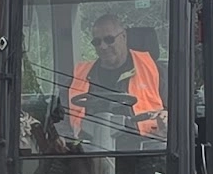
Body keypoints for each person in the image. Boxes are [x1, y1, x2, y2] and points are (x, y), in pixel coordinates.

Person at [67, 10, 164, 149]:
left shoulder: (154, 70)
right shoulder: (78, 74)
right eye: (97, 42)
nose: (103, 46)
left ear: (124, 36)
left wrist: (165, 120)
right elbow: (61, 118)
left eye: (109, 39)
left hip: (144, 151)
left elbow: (176, 115)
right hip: (89, 151)